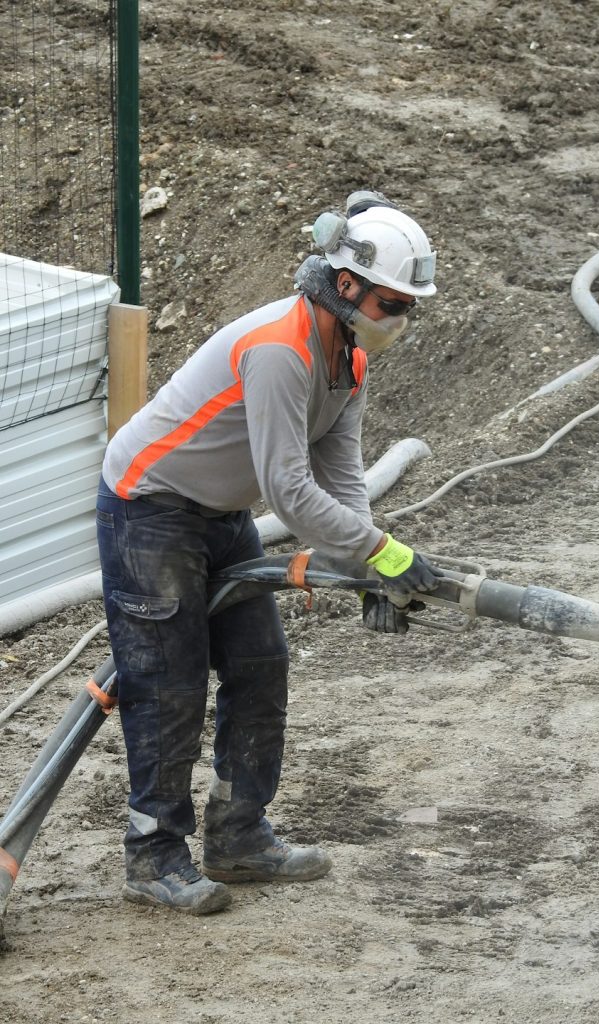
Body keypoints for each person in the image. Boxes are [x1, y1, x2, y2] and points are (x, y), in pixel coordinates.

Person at [96, 190, 442, 915]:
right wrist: (382, 554)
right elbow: (288, 490)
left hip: (219, 516)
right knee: (168, 684)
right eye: (394, 305)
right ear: (345, 284)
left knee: (259, 663)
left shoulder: (345, 358)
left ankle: (239, 838)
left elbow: (341, 476)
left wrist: (365, 563)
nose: (400, 321)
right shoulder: (281, 350)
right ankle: (153, 855)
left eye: (408, 308)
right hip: (150, 508)